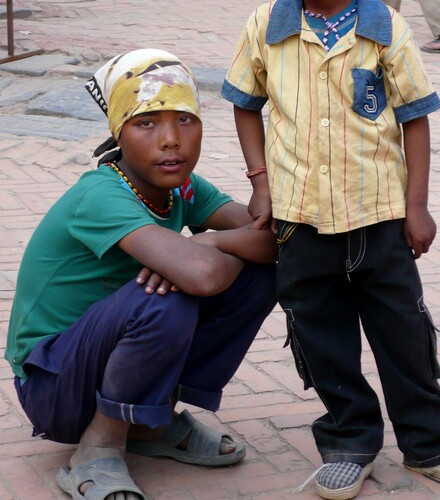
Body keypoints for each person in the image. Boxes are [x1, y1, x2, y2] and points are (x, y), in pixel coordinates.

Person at [221, 0, 440, 499]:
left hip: (380, 218)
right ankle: (349, 439)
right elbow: (246, 105)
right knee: (321, 335)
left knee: (404, 335)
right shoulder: (264, 29)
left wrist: (417, 207)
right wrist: (260, 183)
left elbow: (414, 120)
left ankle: (431, 442)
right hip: (301, 222)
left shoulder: (385, 26)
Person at [5, 49, 277, 500]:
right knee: (164, 296)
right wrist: (201, 254)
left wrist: (209, 241)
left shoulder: (181, 186)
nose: (171, 140)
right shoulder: (101, 194)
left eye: (185, 120)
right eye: (146, 123)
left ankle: (152, 421)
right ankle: (97, 448)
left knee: (259, 275)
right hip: (54, 386)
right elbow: (203, 276)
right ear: (118, 132)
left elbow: (272, 241)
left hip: (102, 362)